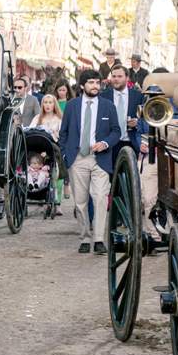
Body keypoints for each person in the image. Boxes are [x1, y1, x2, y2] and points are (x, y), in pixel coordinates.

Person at [59, 69, 121, 255]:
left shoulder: (108, 106)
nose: (95, 86)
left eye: (97, 83)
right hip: (77, 159)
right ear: (82, 86)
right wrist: (66, 156)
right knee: (80, 202)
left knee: (101, 198)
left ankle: (99, 239)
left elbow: (116, 131)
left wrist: (105, 143)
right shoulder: (72, 106)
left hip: (100, 159)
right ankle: (85, 237)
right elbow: (64, 133)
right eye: (91, 83)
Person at [101, 62, 146, 160]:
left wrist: (137, 123)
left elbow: (145, 119)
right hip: (109, 144)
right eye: (113, 76)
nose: (116, 79)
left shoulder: (138, 96)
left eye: (120, 76)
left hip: (131, 142)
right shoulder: (103, 96)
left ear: (127, 78)